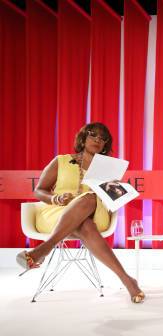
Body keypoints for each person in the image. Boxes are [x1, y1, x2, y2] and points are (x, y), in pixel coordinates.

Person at [16, 123, 145, 304]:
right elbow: (39, 191)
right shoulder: (61, 161)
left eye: (103, 138)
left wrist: (117, 188)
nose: (98, 140)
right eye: (94, 135)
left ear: (105, 145)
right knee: (84, 225)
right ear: (83, 138)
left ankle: (44, 249)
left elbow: (111, 198)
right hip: (57, 212)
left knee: (88, 198)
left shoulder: (109, 169)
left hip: (95, 211)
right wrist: (56, 198)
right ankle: (127, 279)